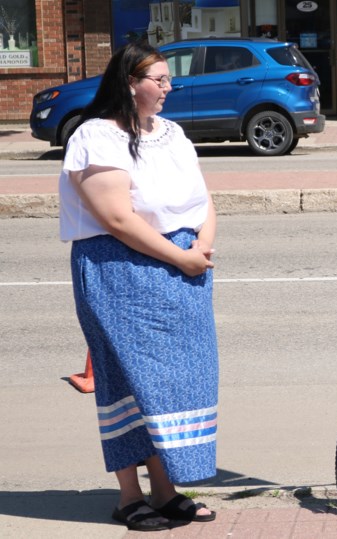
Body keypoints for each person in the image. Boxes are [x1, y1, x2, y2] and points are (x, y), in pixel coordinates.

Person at [59, 41, 220, 531]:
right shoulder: (96, 137)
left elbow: (203, 199)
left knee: (176, 382)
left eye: (170, 79)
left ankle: (167, 489)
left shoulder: (170, 133)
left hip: (182, 267)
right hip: (119, 269)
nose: (170, 88)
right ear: (130, 84)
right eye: (160, 80)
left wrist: (200, 250)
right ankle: (130, 497)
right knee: (125, 381)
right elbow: (115, 217)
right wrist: (182, 257)